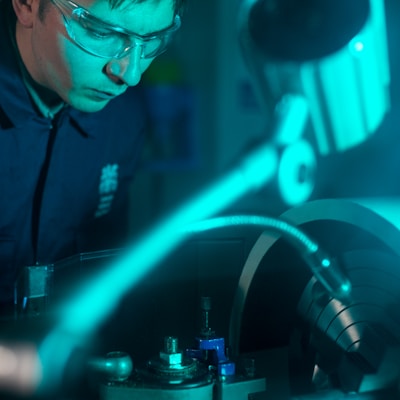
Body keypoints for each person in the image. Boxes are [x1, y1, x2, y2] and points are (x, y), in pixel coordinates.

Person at [0, 0, 185, 310]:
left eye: (151, 40)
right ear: (27, 5)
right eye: (102, 33)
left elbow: (101, 271)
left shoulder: (122, 117)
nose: (131, 74)